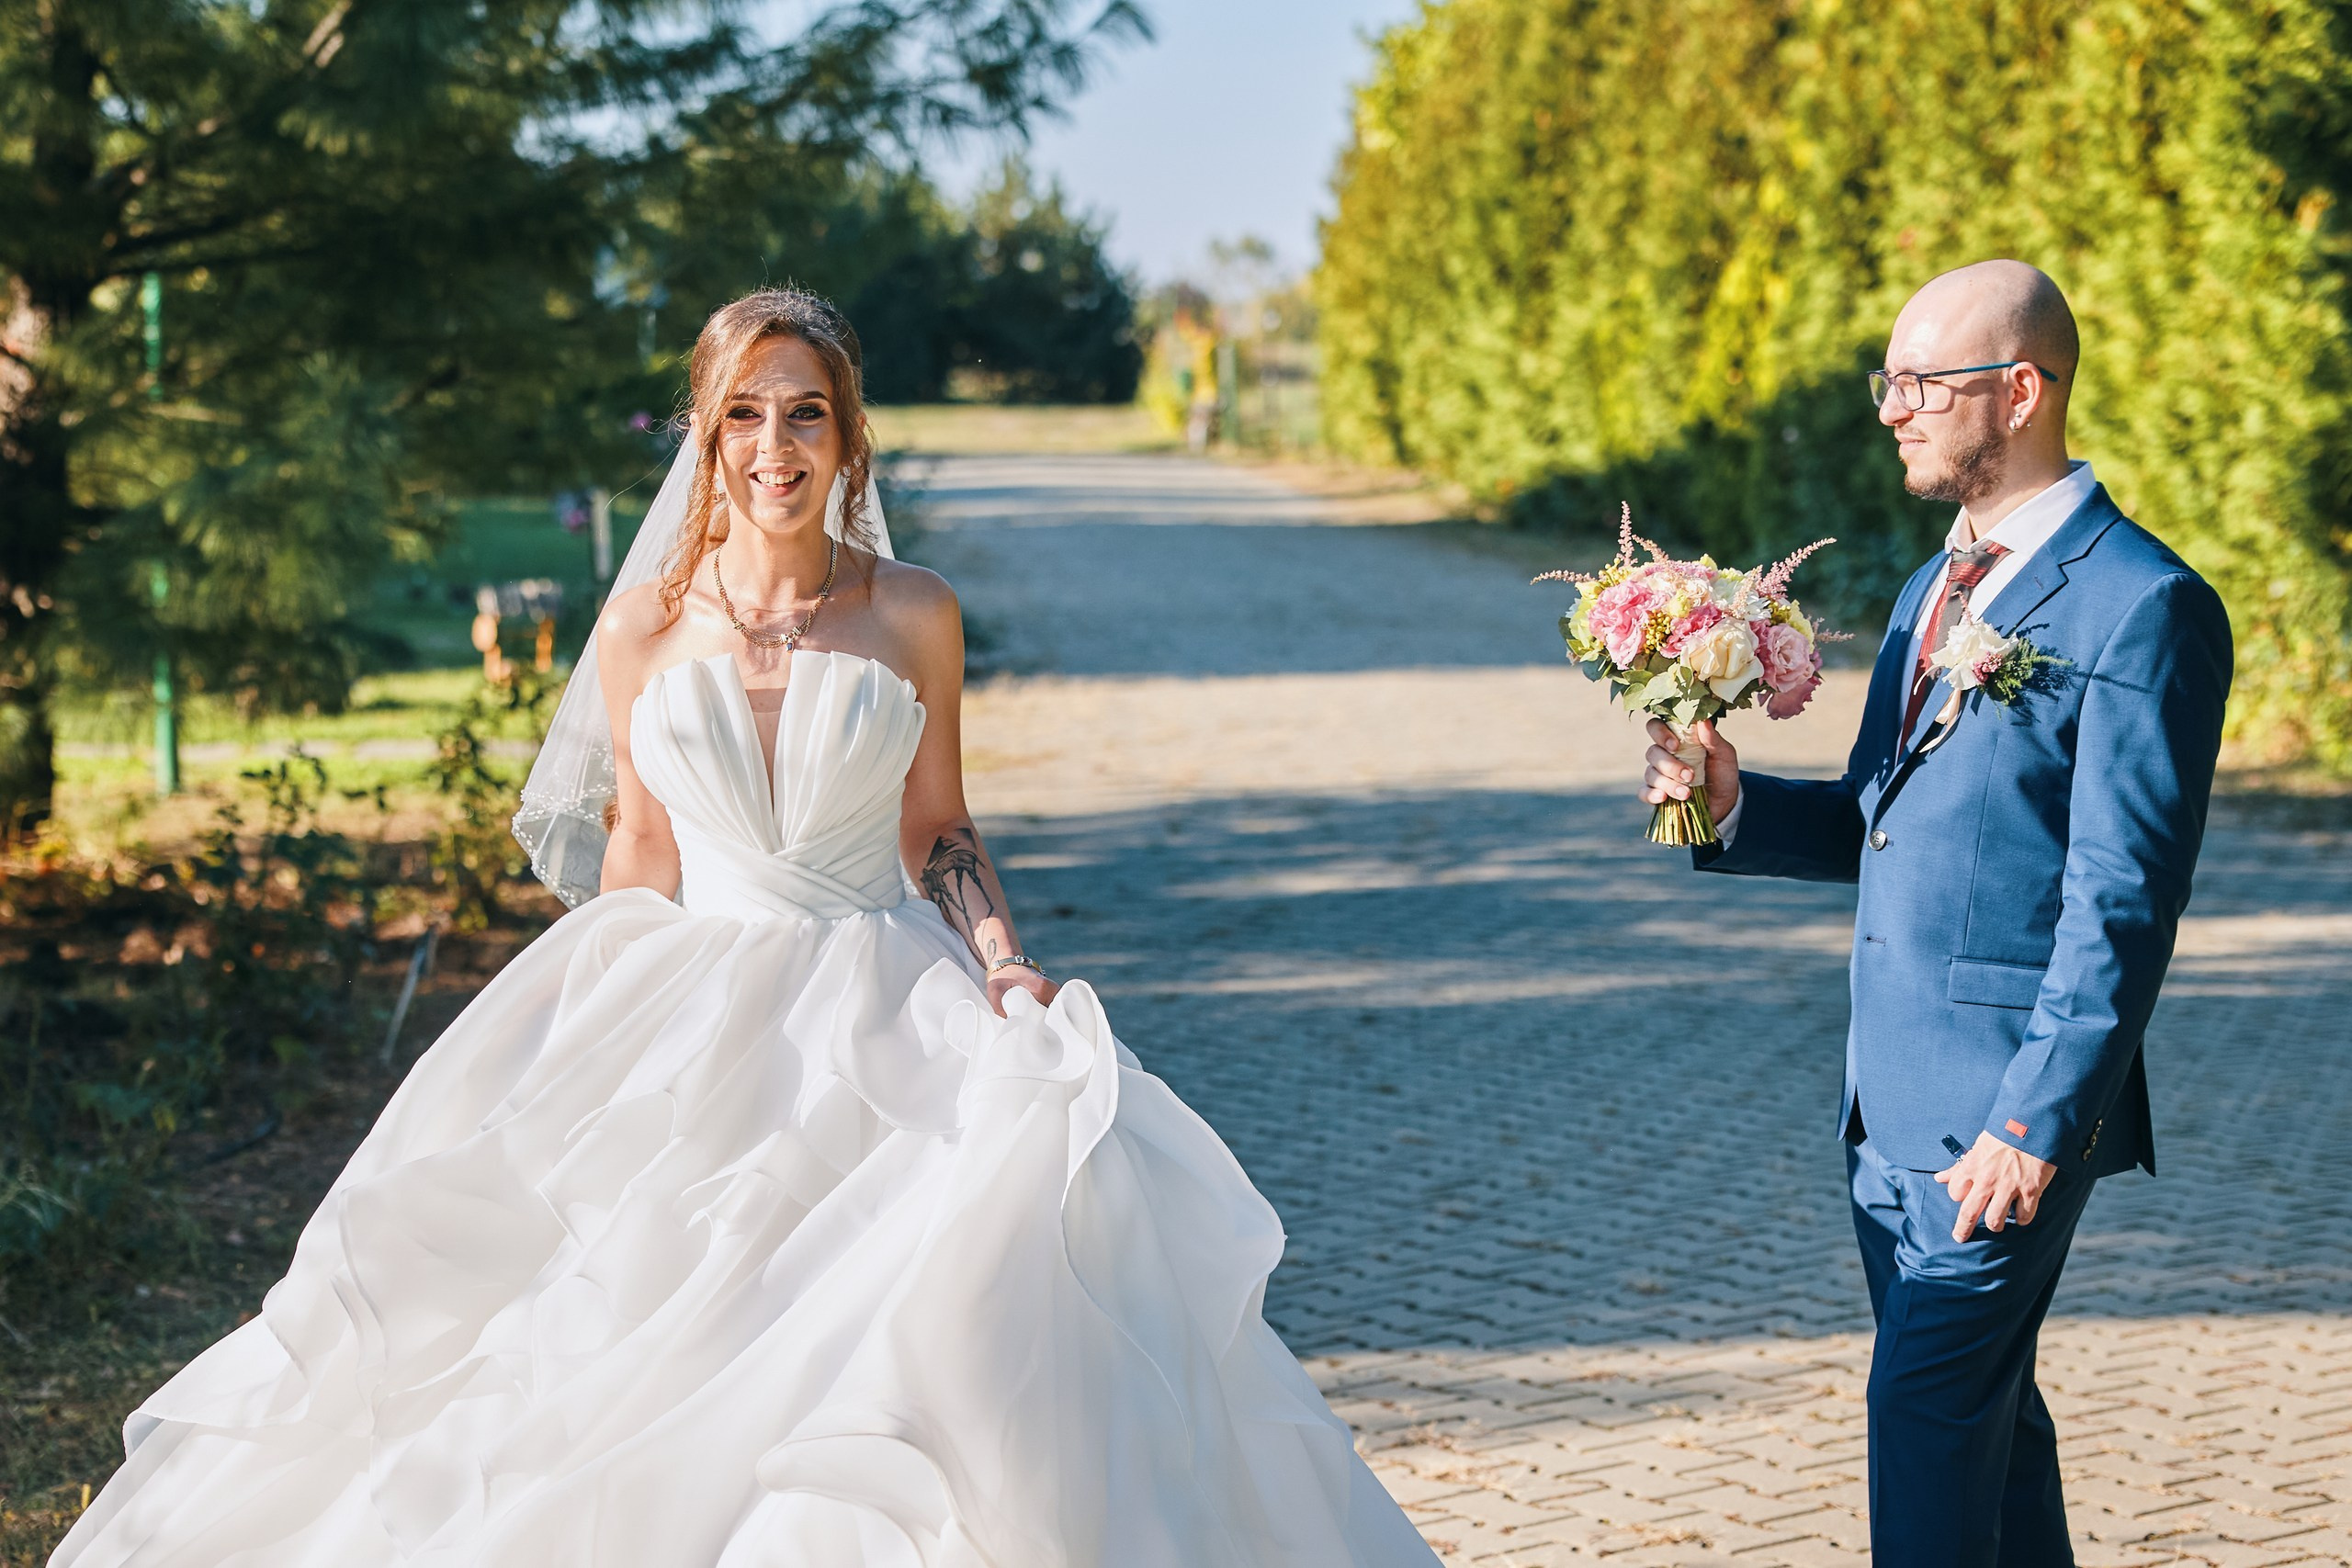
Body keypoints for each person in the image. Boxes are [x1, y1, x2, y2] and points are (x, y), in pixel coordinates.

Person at [53, 289, 1440, 1568]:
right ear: (706, 437)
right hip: (698, 1001)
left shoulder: (912, 614)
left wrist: (1003, 960)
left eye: (806, 412)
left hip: (887, 992)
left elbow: (937, 828)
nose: (775, 444)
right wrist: (587, 1045)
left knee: (937, 1304)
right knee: (619, 1328)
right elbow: (641, 849)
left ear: (846, 437)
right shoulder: (644, 629)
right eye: (744, 413)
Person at [1640, 261, 2232, 1567]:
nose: (1893, 409)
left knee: (1919, 1424)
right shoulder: (1932, 591)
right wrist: (1735, 805)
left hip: (2000, 1125)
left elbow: (2124, 895)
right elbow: (1878, 817)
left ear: (2019, 392)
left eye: (1922, 383)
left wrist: (2035, 1121)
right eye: (1888, 382)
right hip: (1885, 1111)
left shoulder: (2147, 605)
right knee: (1987, 1435)